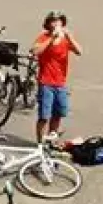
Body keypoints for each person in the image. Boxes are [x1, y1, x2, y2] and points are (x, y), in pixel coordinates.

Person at [31, 11, 81, 143]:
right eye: (53, 21)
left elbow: (79, 51)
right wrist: (51, 39)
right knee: (44, 116)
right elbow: (36, 51)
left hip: (60, 83)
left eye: (58, 21)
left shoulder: (65, 39)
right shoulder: (44, 37)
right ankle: (40, 142)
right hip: (46, 82)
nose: (56, 24)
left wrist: (70, 37)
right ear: (48, 24)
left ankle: (51, 137)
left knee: (59, 113)